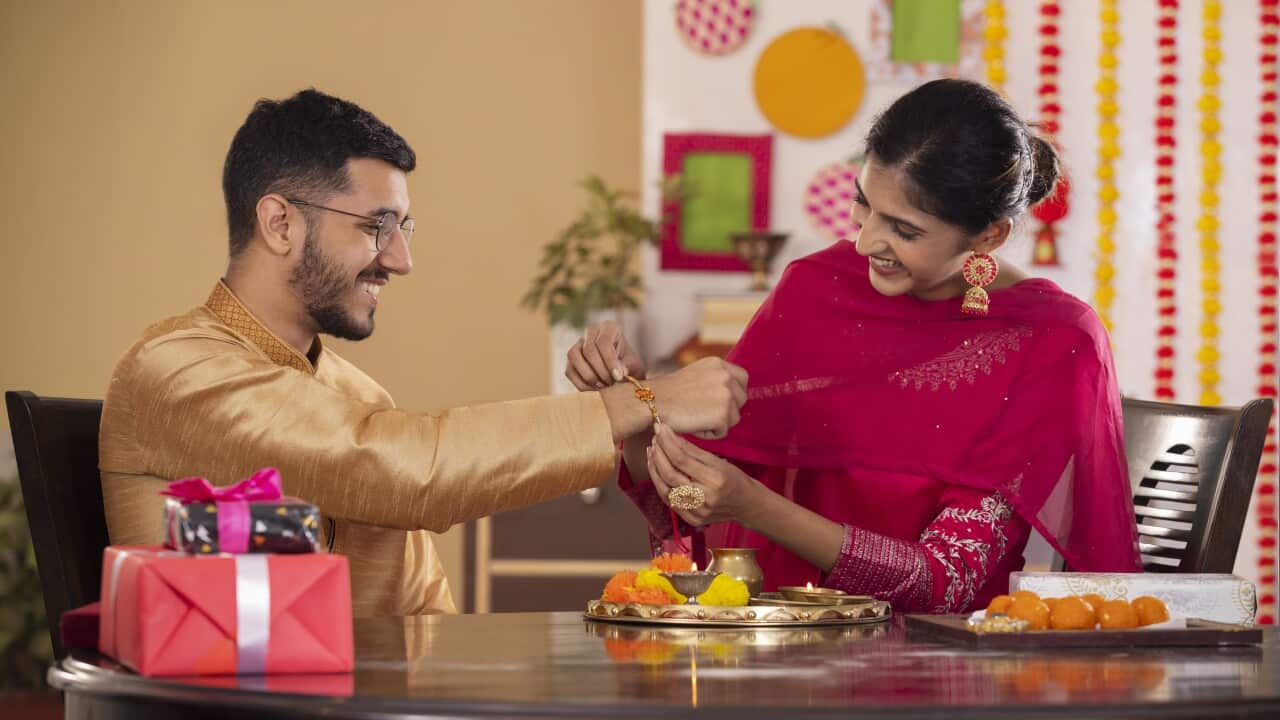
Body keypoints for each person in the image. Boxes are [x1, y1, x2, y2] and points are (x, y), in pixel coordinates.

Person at [100, 88, 747, 616]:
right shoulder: (177, 371)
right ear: (280, 223)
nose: (401, 260)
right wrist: (642, 400)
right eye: (375, 226)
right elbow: (411, 472)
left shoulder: (354, 397)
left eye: (402, 228)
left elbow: (423, 620)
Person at [568, 79, 1141, 613]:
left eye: (905, 230)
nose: (867, 241)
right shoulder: (816, 290)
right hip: (769, 647)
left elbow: (947, 582)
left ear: (990, 235)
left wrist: (755, 507)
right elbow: (690, 502)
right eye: (863, 203)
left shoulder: (1052, 340)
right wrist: (641, 408)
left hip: (931, 670)